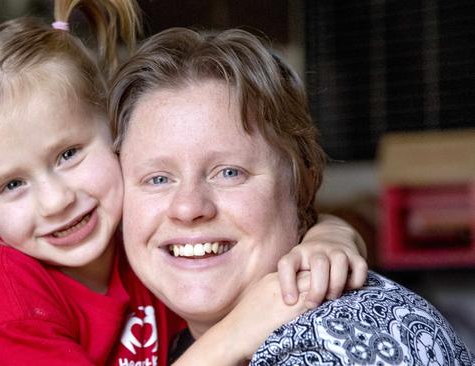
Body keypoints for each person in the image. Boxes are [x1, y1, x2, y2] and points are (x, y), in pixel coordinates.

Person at [0, 2, 367, 364]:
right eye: (13, 185)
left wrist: (330, 235)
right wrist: (238, 332)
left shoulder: (140, 235)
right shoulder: (10, 305)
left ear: (118, 137)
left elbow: (280, 222)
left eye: (68, 154)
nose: (58, 200)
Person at [110, 27, 475, 365]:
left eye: (229, 172)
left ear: (301, 185)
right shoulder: (145, 332)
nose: (188, 207)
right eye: (157, 179)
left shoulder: (343, 341)